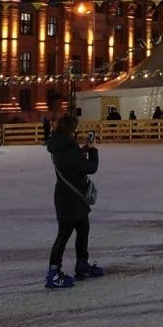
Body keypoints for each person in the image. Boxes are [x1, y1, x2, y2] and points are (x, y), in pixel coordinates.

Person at [45, 114, 103, 288]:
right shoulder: (68, 149)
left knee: (83, 228)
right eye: (75, 130)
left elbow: (73, 161)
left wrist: (82, 151)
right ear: (70, 131)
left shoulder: (62, 146)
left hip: (73, 197)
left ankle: (82, 264)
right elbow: (91, 168)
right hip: (70, 199)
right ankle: (53, 273)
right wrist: (92, 150)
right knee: (64, 235)